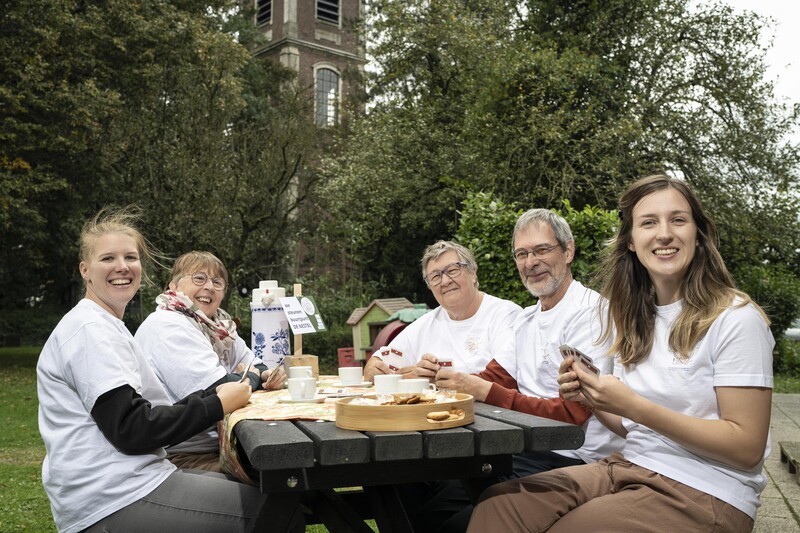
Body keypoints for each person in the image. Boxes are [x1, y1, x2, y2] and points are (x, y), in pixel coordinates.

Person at [467, 174, 773, 532]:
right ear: (630, 241)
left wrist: (633, 405)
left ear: (698, 234)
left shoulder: (735, 318)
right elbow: (628, 426)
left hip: (706, 488)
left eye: (678, 220)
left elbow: (747, 447)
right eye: (648, 223)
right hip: (629, 466)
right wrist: (593, 395)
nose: (664, 233)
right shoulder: (636, 317)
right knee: (500, 505)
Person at [36, 207, 290, 533]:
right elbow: (132, 430)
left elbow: (145, 417)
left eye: (130, 257)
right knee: (278, 510)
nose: (122, 267)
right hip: (111, 495)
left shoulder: (106, 325)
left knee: (274, 493)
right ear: (85, 269)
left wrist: (224, 391)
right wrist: (218, 402)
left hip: (136, 475)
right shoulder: (89, 329)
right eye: (108, 259)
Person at [426, 209, 622, 532]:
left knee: (451, 524)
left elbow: (572, 416)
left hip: (575, 459)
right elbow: (493, 378)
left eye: (541, 250)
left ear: (568, 251)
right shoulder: (526, 320)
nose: (530, 262)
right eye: (522, 254)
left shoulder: (590, 314)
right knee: (427, 507)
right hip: (524, 451)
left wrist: (483, 391)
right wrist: (441, 386)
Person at [135, 251, 285, 472]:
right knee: (277, 473)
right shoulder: (167, 324)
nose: (209, 287)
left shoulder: (218, 327)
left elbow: (256, 364)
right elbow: (218, 390)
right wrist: (253, 375)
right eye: (198, 278)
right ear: (174, 287)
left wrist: (263, 374)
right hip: (181, 456)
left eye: (217, 282)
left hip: (219, 446)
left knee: (290, 469)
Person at [363, 240, 522, 382]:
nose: (445, 281)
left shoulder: (505, 314)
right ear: (430, 286)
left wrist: (434, 380)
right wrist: (374, 368)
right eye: (435, 276)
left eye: (452, 270)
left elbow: (506, 378)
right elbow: (380, 361)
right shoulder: (425, 324)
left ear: (472, 273)